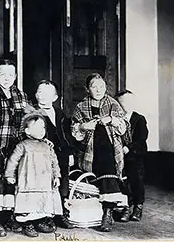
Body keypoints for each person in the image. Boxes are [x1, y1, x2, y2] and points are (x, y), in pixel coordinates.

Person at [71, 73, 128, 232]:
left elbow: (123, 129)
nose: (98, 90)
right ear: (87, 89)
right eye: (94, 86)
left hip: (111, 149)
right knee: (104, 166)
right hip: (89, 151)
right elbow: (75, 134)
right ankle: (108, 211)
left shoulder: (113, 104)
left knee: (107, 163)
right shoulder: (80, 107)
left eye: (101, 86)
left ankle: (107, 213)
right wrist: (83, 127)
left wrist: (111, 119)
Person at [0, 58, 31, 237]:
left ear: (15, 76)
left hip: (15, 146)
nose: (7, 78)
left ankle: (11, 216)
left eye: (10, 74)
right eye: (2, 74)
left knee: (12, 180)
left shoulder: (21, 96)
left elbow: (26, 122)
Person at [4, 110, 63, 238]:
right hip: (28, 180)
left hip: (44, 182)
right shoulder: (23, 145)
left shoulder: (48, 146)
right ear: (27, 131)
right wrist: (9, 175)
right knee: (28, 205)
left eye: (42, 127)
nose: (41, 131)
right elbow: (13, 160)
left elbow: (55, 162)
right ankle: (27, 224)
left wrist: (57, 176)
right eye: (36, 128)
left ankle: (39, 221)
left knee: (41, 204)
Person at [34, 80, 75, 230]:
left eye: (47, 93)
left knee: (63, 184)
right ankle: (46, 216)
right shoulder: (33, 113)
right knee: (45, 185)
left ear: (55, 97)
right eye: (40, 92)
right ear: (36, 95)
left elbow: (68, 135)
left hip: (61, 154)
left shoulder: (60, 113)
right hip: (43, 155)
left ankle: (61, 214)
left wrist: (70, 152)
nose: (43, 96)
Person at [115, 90, 148, 222]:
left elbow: (141, 138)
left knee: (136, 180)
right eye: (122, 102)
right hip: (119, 155)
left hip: (134, 155)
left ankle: (138, 206)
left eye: (129, 102)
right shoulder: (116, 119)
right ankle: (126, 207)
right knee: (121, 181)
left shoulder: (139, 119)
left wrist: (129, 147)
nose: (125, 105)